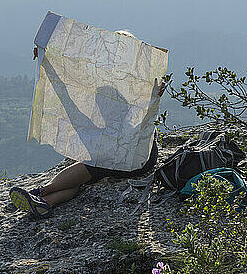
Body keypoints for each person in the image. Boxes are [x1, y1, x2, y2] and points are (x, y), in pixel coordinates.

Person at [9, 43, 166, 219]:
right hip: (133, 159)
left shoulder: (126, 121)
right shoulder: (109, 124)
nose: (102, 108)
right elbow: (65, 97)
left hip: (140, 160)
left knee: (91, 167)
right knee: (82, 180)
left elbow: (146, 121)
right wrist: (46, 61)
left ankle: (40, 192)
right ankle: (46, 203)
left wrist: (154, 97)